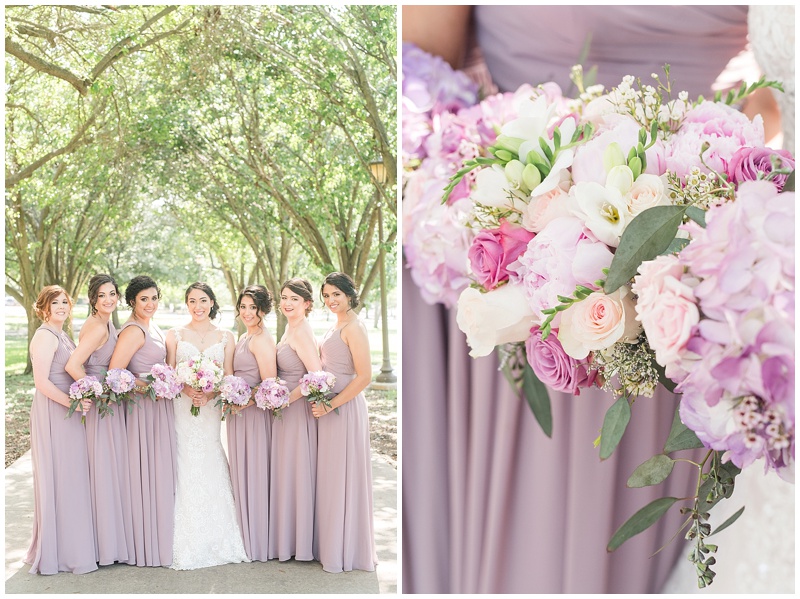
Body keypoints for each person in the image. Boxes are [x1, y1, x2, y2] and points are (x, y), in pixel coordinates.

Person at [401, 5, 774, 594]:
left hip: (674, 283)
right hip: (514, 262)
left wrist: (702, 162)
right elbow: (419, 71)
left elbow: (780, 90)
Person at [164, 282, 248, 570]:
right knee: (184, 460)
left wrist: (211, 392)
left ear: (212, 303)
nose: (197, 306)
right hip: (182, 408)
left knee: (210, 456)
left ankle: (220, 534)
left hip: (210, 408)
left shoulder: (226, 336)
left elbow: (228, 375)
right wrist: (187, 390)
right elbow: (169, 374)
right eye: (191, 301)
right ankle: (182, 535)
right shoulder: (174, 334)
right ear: (186, 303)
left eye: (203, 300)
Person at [25, 285, 97, 575]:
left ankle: (71, 545)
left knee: (71, 477)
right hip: (55, 412)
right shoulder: (44, 336)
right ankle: (62, 552)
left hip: (67, 411)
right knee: (61, 476)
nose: (61, 307)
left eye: (65, 302)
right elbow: (41, 382)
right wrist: (73, 403)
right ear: (44, 307)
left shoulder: (61, 333)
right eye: (55, 303)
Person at [64, 274, 135, 567]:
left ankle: (109, 541)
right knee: (104, 471)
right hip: (102, 410)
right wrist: (98, 390)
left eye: (112, 294)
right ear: (93, 299)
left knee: (109, 470)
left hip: (110, 405)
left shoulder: (105, 323)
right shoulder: (96, 327)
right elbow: (73, 365)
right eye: (102, 295)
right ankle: (105, 546)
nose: (108, 299)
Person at [311, 272, 378, 573]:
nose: (331, 300)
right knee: (331, 477)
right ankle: (329, 544)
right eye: (326, 295)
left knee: (343, 476)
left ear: (350, 293)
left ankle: (346, 550)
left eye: (336, 294)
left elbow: (364, 376)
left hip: (344, 408)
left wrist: (331, 404)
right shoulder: (336, 325)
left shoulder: (355, 327)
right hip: (329, 408)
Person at [108, 275, 176, 568]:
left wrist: (166, 382)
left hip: (158, 406)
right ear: (133, 302)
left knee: (159, 470)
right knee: (143, 470)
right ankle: (143, 542)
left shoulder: (153, 326)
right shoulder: (134, 330)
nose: (150, 304)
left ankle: (160, 535)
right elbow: (115, 373)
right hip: (142, 409)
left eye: (154, 298)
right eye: (143, 299)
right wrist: (149, 386)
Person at [269, 278, 322, 562]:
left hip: (296, 409)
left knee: (296, 471)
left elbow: (317, 376)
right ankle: (289, 538)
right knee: (288, 471)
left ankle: (300, 543)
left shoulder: (301, 331)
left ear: (307, 304)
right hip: (286, 407)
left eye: (294, 299)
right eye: (285, 298)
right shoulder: (291, 327)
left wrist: (285, 399)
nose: (287, 303)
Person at [227, 284, 278, 562]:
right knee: (242, 471)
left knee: (255, 471)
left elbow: (268, 384)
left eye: (253, 307)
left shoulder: (260, 339)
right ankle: (247, 534)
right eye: (243, 307)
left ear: (262, 310)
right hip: (240, 415)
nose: (247, 312)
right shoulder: (246, 336)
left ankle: (258, 540)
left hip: (254, 416)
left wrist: (243, 402)